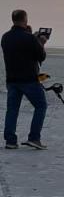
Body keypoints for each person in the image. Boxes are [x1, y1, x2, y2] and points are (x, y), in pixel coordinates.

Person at [2, 9, 49, 150]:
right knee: (41, 106)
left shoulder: (5, 37)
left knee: (12, 110)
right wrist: (41, 42)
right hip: (28, 79)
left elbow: (19, 50)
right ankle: (34, 138)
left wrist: (31, 37)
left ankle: (10, 141)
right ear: (25, 19)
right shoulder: (29, 38)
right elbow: (41, 56)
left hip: (12, 80)